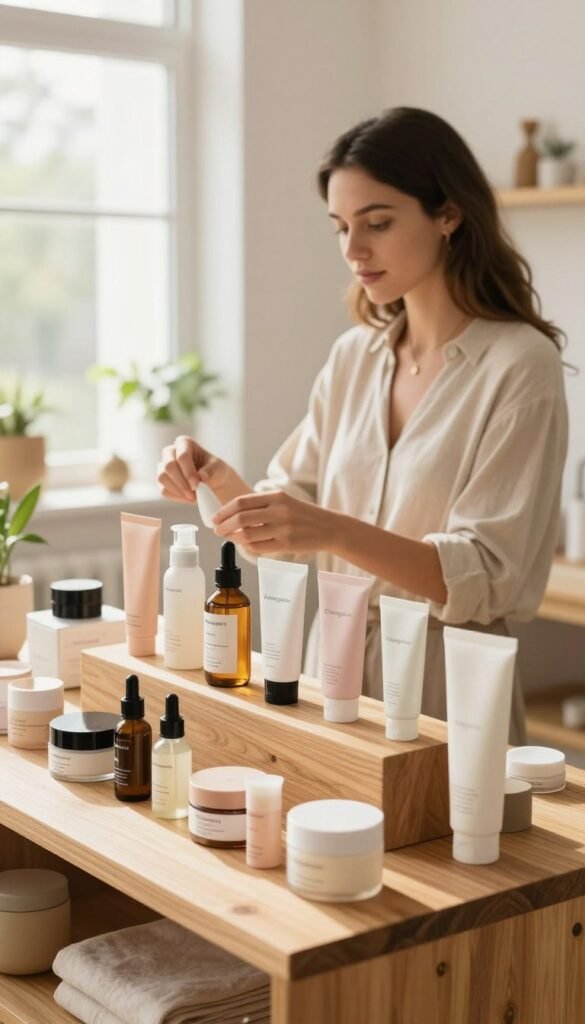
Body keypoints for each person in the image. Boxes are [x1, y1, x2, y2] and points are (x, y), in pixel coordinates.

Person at [158, 107, 568, 745]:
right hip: (336, 663)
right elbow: (291, 529)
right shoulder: (356, 356)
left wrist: (331, 529)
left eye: (377, 223)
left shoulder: (519, 365)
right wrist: (216, 477)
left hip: (449, 678)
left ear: (449, 215)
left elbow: (486, 576)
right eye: (341, 228)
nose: (353, 250)